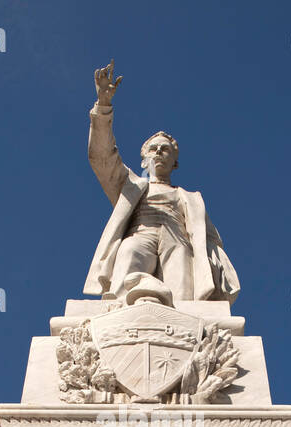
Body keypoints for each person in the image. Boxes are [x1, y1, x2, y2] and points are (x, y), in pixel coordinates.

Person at [84, 59, 240, 306]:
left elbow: (209, 238)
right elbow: (101, 156)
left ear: (174, 162)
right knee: (125, 274)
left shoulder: (190, 198)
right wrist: (103, 106)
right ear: (144, 159)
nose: (158, 152)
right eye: (153, 149)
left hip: (178, 240)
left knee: (182, 301)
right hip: (140, 234)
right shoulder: (131, 185)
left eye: (165, 150)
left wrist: (216, 263)